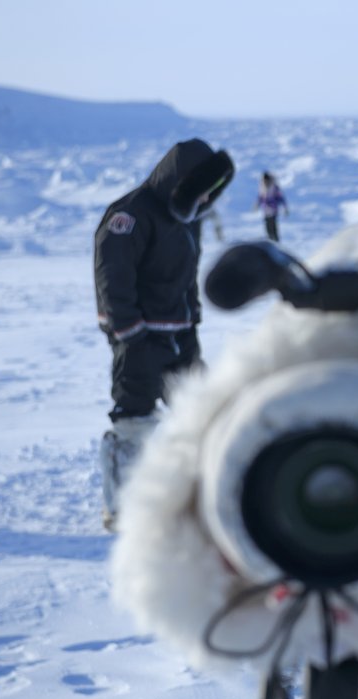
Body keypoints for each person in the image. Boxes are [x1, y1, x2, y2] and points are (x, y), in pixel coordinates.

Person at [94, 138, 234, 530]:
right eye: (201, 189)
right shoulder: (130, 215)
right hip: (138, 337)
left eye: (211, 192)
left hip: (180, 334)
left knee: (203, 411)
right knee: (135, 421)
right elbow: (112, 276)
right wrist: (129, 331)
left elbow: (186, 276)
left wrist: (192, 318)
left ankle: (206, 495)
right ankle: (121, 506)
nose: (206, 198)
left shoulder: (189, 218)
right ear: (180, 181)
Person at [256, 171, 288, 241]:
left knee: (273, 226)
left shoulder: (274, 188)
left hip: (273, 210)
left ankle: (276, 241)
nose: (265, 182)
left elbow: (281, 198)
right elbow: (261, 198)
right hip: (266, 211)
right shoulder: (262, 188)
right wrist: (257, 205)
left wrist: (285, 208)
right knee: (267, 227)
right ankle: (270, 240)